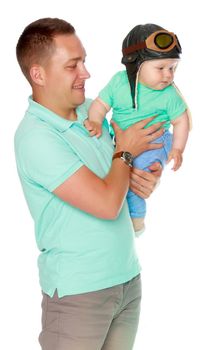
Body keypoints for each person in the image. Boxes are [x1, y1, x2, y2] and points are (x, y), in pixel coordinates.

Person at [14, 18, 164, 350]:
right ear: (38, 74)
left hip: (126, 281)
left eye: (83, 61)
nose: (86, 73)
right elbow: (107, 203)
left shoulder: (89, 112)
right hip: (78, 295)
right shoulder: (37, 138)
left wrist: (143, 177)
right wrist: (126, 150)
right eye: (72, 65)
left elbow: (120, 174)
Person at [85, 23, 191, 235]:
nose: (168, 75)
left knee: (136, 177)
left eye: (172, 68)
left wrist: (178, 149)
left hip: (155, 143)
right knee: (115, 173)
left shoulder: (169, 94)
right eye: (160, 68)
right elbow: (100, 104)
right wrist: (95, 121)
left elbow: (181, 121)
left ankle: (137, 221)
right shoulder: (118, 82)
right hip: (123, 144)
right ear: (135, 64)